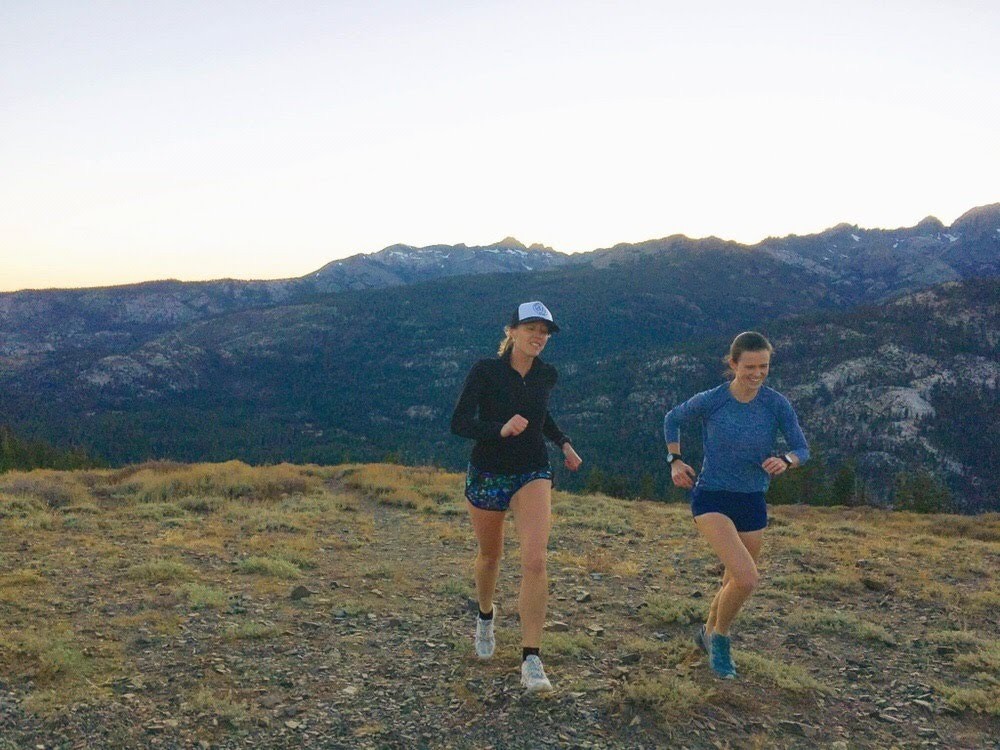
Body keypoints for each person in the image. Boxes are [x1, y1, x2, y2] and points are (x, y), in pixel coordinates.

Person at [450, 301, 583, 693]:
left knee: (535, 560)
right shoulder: (485, 371)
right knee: (491, 555)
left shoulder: (546, 375)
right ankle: (486, 615)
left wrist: (563, 442)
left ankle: (531, 658)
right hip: (489, 472)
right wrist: (499, 429)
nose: (539, 336)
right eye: (531, 328)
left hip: (532, 471)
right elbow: (459, 423)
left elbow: (541, 416)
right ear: (511, 331)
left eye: (545, 331)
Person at [663, 331, 809, 679]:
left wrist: (786, 460)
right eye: (749, 367)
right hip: (712, 496)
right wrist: (675, 460)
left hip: (752, 500)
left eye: (764, 367)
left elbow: (802, 448)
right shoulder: (713, 399)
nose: (757, 374)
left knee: (733, 579)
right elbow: (672, 419)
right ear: (733, 364)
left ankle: (706, 633)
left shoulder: (776, 404)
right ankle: (721, 638)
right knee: (746, 578)